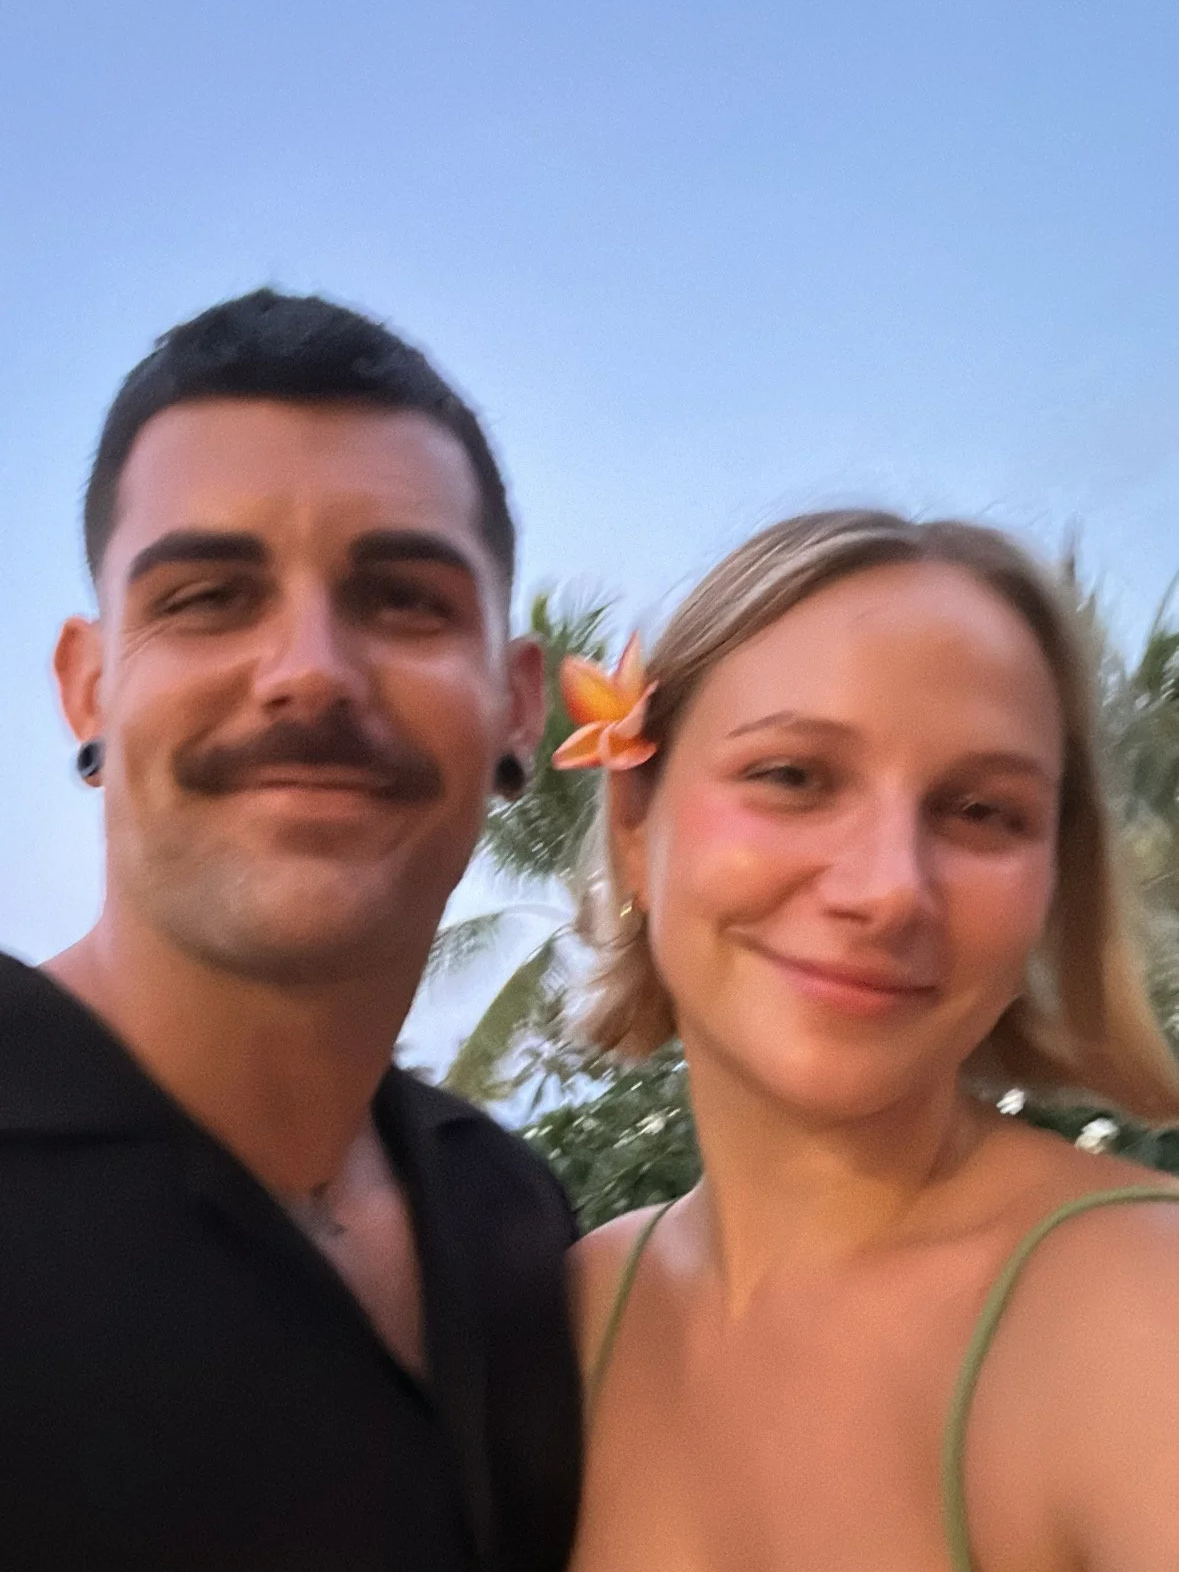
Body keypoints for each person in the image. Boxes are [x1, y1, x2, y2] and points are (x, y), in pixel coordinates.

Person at [0, 289, 581, 1571]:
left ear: (515, 705)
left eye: (407, 600)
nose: (309, 668)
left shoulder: (520, 1224)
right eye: (208, 597)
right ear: (89, 685)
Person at [560, 510, 1179, 1572]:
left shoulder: (1137, 1311)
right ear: (634, 821)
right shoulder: (579, 1307)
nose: (891, 888)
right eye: (793, 776)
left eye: (983, 810)